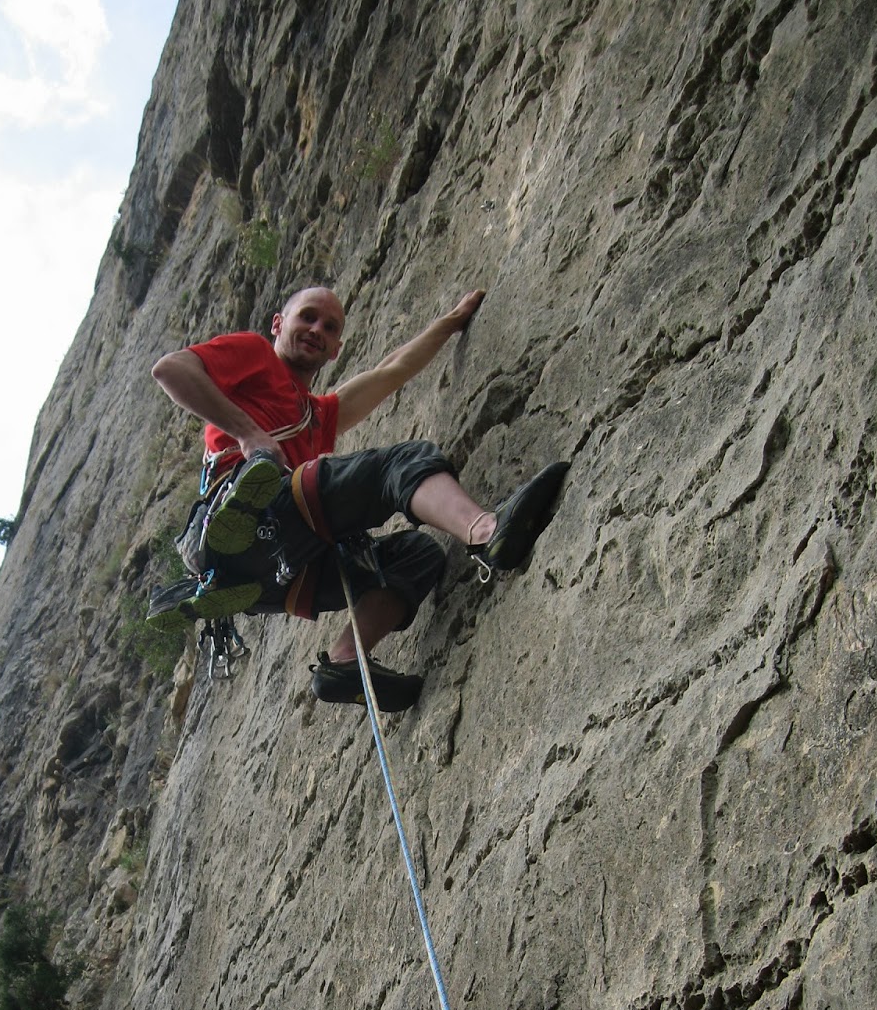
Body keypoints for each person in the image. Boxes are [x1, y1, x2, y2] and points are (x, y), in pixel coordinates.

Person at [148, 286, 567, 710]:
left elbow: (391, 371)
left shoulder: (317, 416)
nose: (316, 330)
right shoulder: (255, 354)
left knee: (416, 555)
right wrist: (247, 432)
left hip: (281, 574)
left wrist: (449, 323)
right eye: (307, 317)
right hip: (248, 505)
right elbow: (172, 369)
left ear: (336, 350)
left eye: (329, 328)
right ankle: (486, 532)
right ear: (278, 324)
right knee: (399, 463)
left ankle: (346, 662)